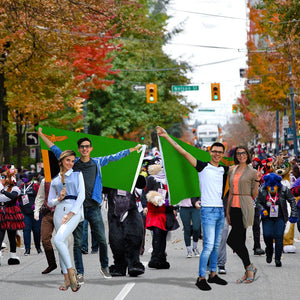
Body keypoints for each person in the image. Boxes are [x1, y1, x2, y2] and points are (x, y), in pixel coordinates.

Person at [38, 127, 142, 283]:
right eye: (82, 147)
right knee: (78, 243)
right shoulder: (73, 163)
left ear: (91, 149)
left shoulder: (97, 162)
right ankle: (80, 272)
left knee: (101, 239)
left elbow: (115, 157)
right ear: (79, 149)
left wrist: (132, 149)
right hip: (77, 209)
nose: (85, 149)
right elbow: (55, 149)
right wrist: (41, 135)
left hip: (93, 207)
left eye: (87, 146)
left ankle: (104, 267)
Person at [156, 126, 228, 291]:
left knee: (216, 245)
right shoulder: (202, 167)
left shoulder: (224, 170)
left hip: (219, 210)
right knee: (209, 245)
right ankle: (201, 277)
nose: (217, 154)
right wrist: (167, 136)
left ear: (223, 154)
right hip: (208, 210)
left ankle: (213, 274)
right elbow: (183, 152)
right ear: (210, 152)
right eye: (214, 151)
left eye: (220, 152)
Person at [48, 150, 85, 292]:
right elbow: (50, 203)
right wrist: (58, 199)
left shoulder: (77, 175)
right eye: (68, 160)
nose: (70, 163)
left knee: (58, 240)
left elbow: (81, 196)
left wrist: (70, 214)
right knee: (61, 243)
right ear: (61, 161)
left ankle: (71, 274)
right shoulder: (55, 180)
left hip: (73, 211)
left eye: (72, 160)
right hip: (59, 211)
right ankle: (66, 279)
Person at [226, 146, 262, 284]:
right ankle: (248, 270)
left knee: (232, 240)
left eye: (243, 153)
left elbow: (254, 195)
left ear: (247, 155)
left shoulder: (252, 172)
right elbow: (230, 191)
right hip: (233, 205)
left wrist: (258, 181)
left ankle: (249, 267)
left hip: (245, 205)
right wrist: (228, 211)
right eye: (238, 154)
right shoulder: (232, 169)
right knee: (239, 241)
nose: (241, 156)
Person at [257, 172, 298, 267]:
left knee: (279, 237)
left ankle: (278, 259)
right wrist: (262, 210)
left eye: (274, 186)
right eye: (270, 186)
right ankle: (269, 251)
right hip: (267, 218)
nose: (272, 189)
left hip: (280, 217)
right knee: (267, 235)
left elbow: (292, 200)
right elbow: (258, 202)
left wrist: (294, 214)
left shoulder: (284, 190)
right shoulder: (262, 190)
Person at [0, 165, 25, 266]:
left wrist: (3, 191)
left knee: (11, 235)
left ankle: (13, 255)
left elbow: (13, 196)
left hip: (11, 212)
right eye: (2, 177)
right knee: (0, 234)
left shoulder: (14, 188)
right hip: (1, 211)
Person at [34, 178, 57, 274]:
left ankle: (65, 265)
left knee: (62, 241)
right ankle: (52, 264)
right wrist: (36, 211)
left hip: (61, 213)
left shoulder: (66, 177)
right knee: (45, 239)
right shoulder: (45, 181)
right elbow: (40, 197)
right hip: (47, 213)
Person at [19, 173, 42, 255]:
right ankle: (27, 249)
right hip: (25, 212)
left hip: (35, 212)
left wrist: (36, 205)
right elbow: (17, 196)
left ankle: (38, 248)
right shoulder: (21, 186)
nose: (24, 180)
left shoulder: (36, 186)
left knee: (37, 231)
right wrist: (18, 203)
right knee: (26, 230)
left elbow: (40, 196)